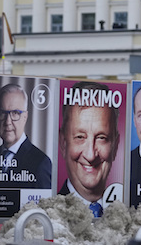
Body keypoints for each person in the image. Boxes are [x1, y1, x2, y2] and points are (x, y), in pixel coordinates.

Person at [58, 80, 120, 217]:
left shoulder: (130, 211)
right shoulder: (48, 214)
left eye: (101, 138)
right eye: (80, 137)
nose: (91, 155)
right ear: (63, 143)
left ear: (115, 145)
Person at [0, 83, 51, 189]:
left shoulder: (41, 162)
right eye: (3, 113)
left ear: (25, 116)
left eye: (15, 113)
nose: (8, 122)